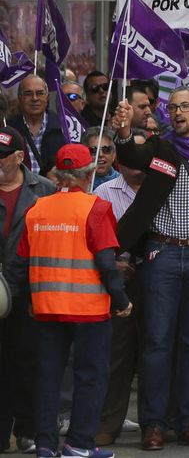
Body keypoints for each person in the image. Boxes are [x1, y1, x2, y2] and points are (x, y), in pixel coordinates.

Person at [109, 88, 189, 451]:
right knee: (157, 342)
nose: (177, 112)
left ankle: (187, 421)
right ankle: (154, 424)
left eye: (184, 106)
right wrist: (122, 131)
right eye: (172, 107)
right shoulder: (160, 146)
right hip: (161, 253)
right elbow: (131, 154)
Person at [8, 144, 132, 458]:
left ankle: (46, 444)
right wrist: (121, 301)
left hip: (46, 310)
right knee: (89, 377)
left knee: (47, 377)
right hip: (89, 311)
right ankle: (79, 444)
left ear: (58, 174)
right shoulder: (96, 208)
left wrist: (27, 302)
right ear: (88, 173)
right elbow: (106, 263)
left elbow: (21, 264)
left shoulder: (37, 209)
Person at [0, 127, 54, 453]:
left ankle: (28, 429)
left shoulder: (44, 190)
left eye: (2, 156)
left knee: (29, 362)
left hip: (29, 292)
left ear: (20, 156)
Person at [94, 147, 144, 447]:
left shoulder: (161, 186)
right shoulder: (104, 191)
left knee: (156, 350)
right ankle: (108, 423)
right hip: (117, 280)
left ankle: (155, 422)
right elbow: (93, 235)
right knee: (117, 354)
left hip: (154, 274)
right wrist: (113, 265)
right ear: (120, 163)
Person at [9, 74, 68, 174]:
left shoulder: (63, 127)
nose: (34, 98)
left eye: (40, 93)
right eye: (28, 93)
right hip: (20, 188)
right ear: (20, 97)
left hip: (52, 188)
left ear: (47, 97)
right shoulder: (9, 128)